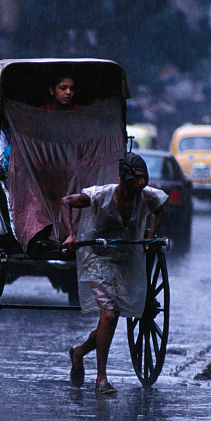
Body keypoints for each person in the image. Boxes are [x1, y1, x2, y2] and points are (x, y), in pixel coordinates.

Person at [61, 152, 167, 394]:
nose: (141, 185)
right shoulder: (101, 195)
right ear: (125, 178)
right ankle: (101, 379)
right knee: (109, 317)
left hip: (124, 261)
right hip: (96, 258)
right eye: (136, 179)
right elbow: (66, 201)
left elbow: (160, 209)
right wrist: (71, 234)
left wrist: (150, 237)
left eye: (144, 179)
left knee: (109, 321)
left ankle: (78, 353)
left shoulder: (146, 196)